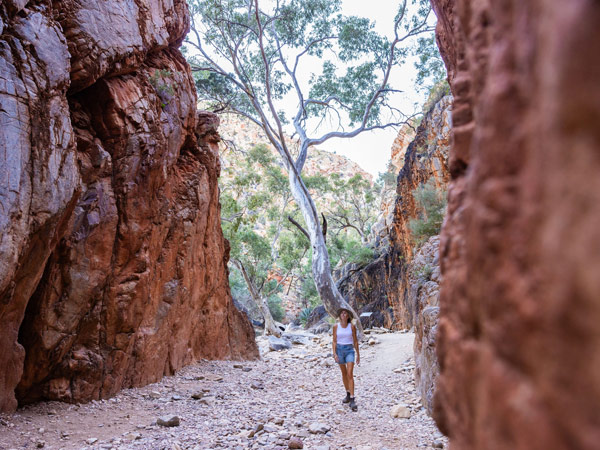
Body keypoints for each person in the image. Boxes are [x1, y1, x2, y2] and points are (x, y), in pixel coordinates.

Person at [332, 307, 360, 411]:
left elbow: (355, 341)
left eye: (345, 313)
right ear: (340, 316)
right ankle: (348, 393)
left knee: (350, 374)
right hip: (339, 350)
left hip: (349, 350)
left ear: (348, 316)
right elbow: (334, 341)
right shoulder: (336, 326)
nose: (343, 315)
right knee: (344, 374)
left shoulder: (351, 327)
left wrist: (358, 355)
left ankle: (352, 399)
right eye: (342, 313)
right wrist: (334, 353)